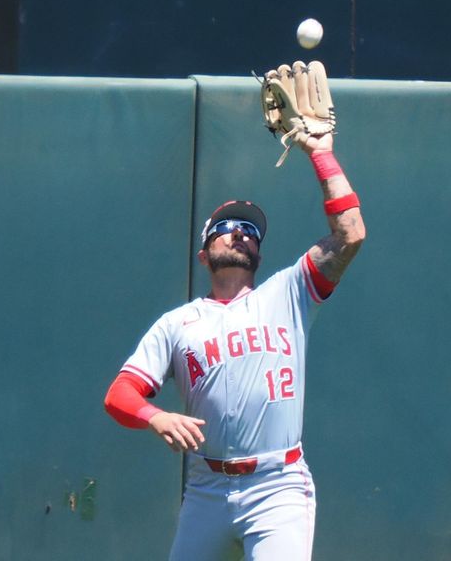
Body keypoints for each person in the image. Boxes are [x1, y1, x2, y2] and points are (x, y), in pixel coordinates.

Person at [104, 128, 365, 560]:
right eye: (226, 228)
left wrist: (321, 155)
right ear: (204, 254)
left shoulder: (289, 292)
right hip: (208, 488)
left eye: (250, 230)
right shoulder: (177, 323)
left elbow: (350, 234)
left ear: (258, 254)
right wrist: (155, 416)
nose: (240, 233)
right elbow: (119, 394)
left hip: (277, 485)